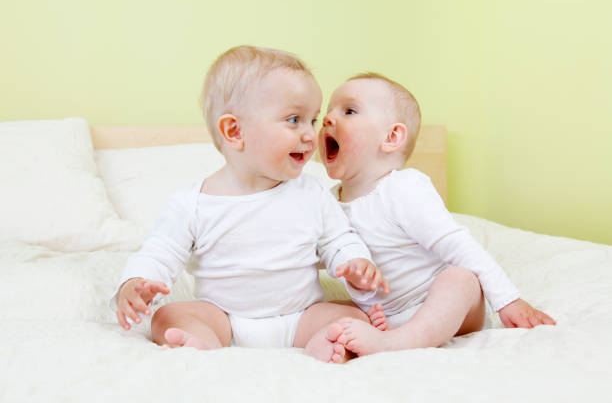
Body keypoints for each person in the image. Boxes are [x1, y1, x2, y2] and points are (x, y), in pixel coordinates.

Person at [109, 47, 389, 363]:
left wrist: (355, 264)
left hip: (300, 317)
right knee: (167, 315)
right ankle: (202, 344)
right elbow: (159, 253)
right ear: (235, 131)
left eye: (313, 120)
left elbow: (339, 240)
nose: (311, 134)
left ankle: (324, 343)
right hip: (223, 319)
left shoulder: (311, 192)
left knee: (355, 316)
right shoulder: (193, 204)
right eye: (294, 120)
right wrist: (135, 283)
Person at [318, 72, 556, 356]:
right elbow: (313, 256)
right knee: (318, 310)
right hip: (383, 314)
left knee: (461, 279)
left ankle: (395, 342)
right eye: (328, 110)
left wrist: (508, 301)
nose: (328, 118)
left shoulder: (402, 188)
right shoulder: (325, 203)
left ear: (392, 137)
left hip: (446, 307)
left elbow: (458, 245)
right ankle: (366, 338)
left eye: (349, 110)